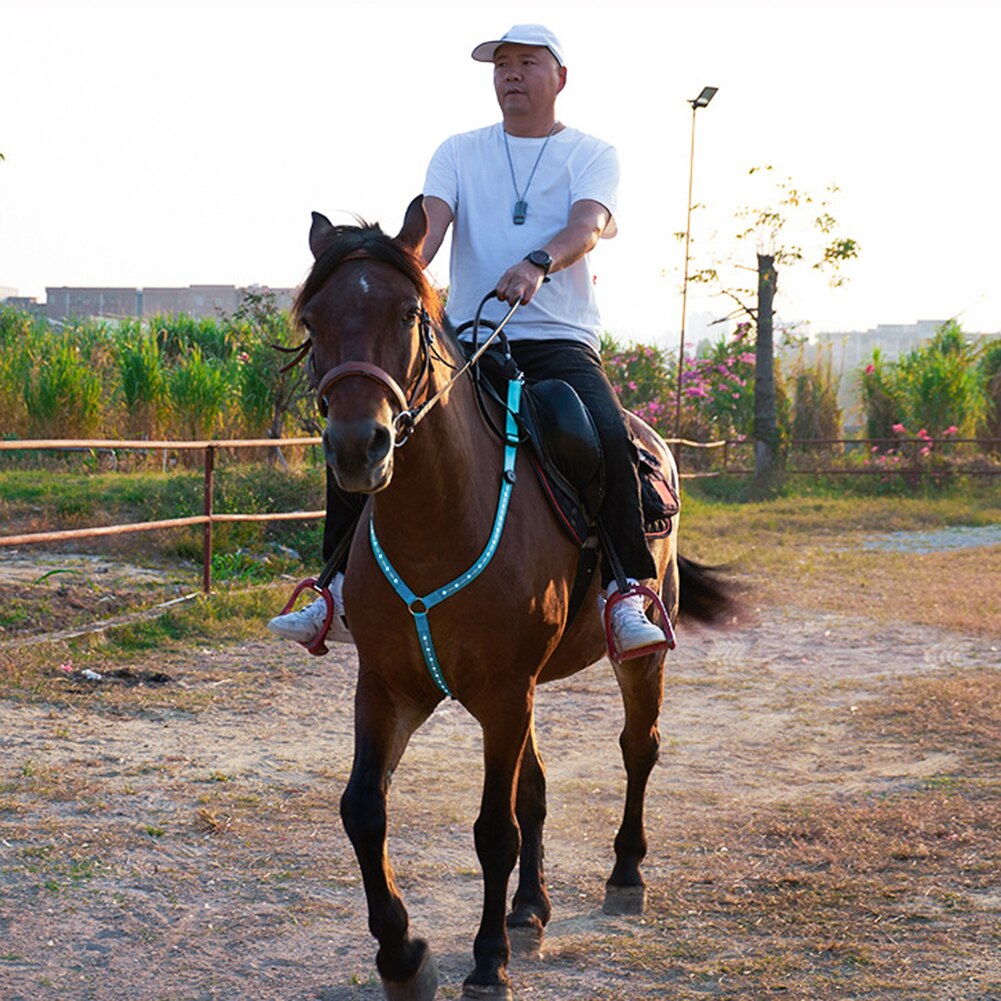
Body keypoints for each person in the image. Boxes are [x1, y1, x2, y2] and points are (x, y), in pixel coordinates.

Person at [269, 24, 666, 656]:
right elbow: (428, 233)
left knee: (603, 432)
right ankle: (332, 587)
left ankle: (627, 591)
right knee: (368, 423)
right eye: (501, 65)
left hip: (557, 337)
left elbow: (586, 227)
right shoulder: (458, 151)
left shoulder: (592, 154)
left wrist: (537, 262)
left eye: (526, 63)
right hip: (467, 341)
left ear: (558, 77)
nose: (510, 74)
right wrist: (391, 268)